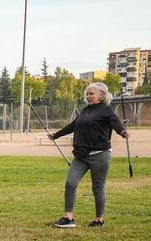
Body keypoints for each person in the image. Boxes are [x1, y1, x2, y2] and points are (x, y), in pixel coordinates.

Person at [46, 82, 129, 228]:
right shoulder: (85, 111)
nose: (88, 96)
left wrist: (122, 132)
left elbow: (116, 123)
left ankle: (99, 219)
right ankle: (68, 218)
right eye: (88, 94)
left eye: (92, 94)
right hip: (81, 155)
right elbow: (72, 126)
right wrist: (56, 135)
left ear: (102, 95)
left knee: (98, 187)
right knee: (70, 183)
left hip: (100, 154)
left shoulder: (107, 110)